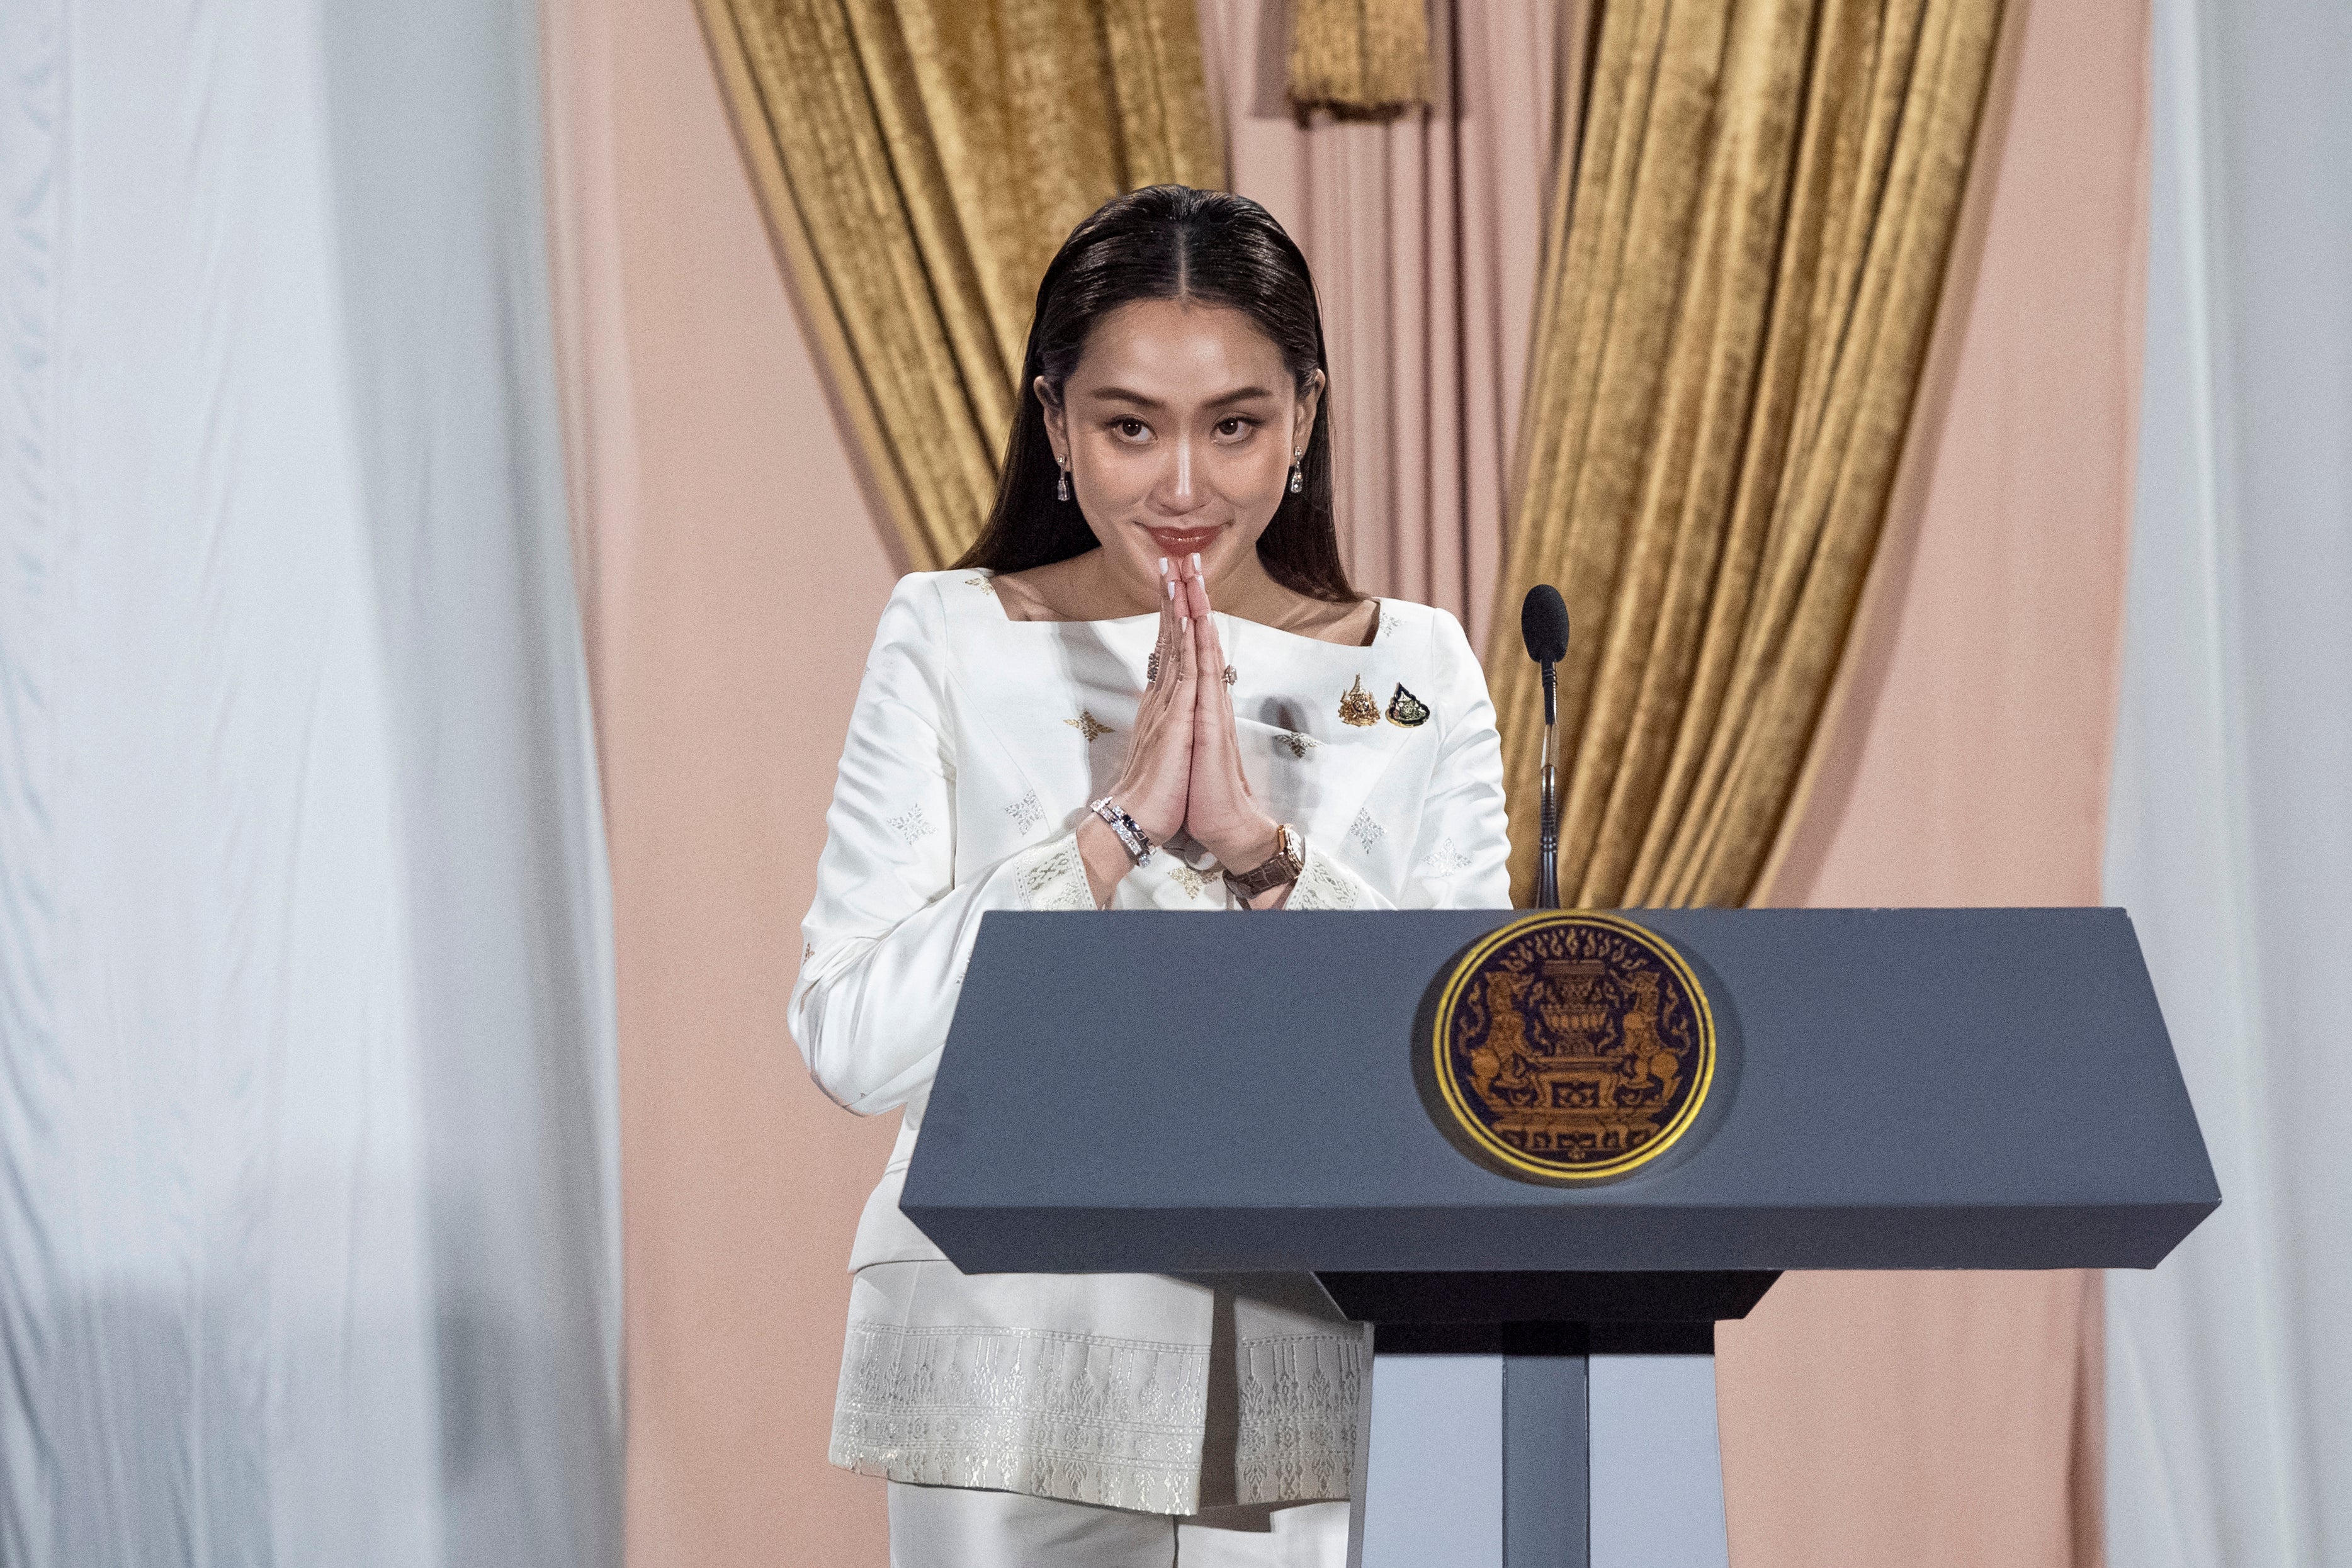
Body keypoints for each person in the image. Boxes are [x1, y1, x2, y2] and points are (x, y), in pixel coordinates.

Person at [791, 184, 1513, 1567]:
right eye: (1129, 426)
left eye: (1232, 424)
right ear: (1055, 424)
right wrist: (1105, 834)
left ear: (1301, 417)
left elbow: (1459, 1059)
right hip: (1000, 1346)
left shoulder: (1414, 669)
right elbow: (853, 1038)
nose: (1182, 484)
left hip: (1315, 1338)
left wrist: (1265, 857)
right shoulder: (946, 636)